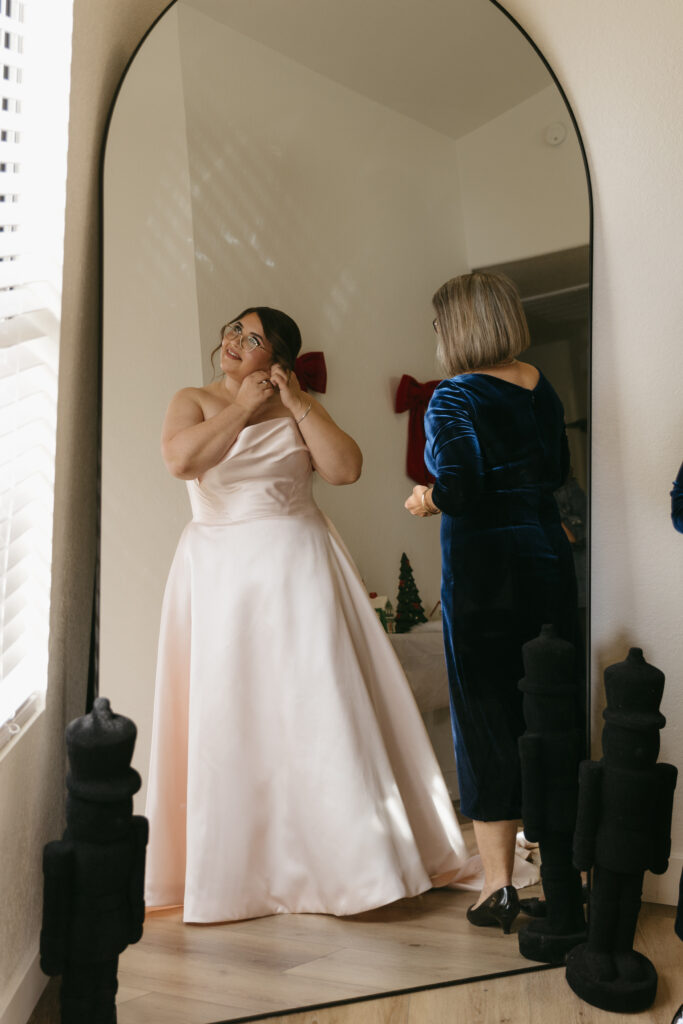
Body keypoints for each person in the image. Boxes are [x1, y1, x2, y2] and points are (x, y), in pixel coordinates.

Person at [144, 305, 478, 923]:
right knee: (231, 713)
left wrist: (295, 405)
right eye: (233, 331)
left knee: (316, 710)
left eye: (253, 337)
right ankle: (242, 877)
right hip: (217, 577)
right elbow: (180, 461)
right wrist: (244, 406)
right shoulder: (191, 399)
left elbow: (346, 469)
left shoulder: (300, 406)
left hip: (301, 572)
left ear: (280, 359)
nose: (234, 341)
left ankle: (351, 866)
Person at [405, 273, 579, 934]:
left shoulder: (453, 395)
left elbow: (459, 484)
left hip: (483, 575)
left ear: (458, 328)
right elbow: (557, 470)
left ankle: (497, 888)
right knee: (543, 710)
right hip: (545, 561)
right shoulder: (540, 386)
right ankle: (560, 876)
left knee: (483, 718)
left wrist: (426, 497)